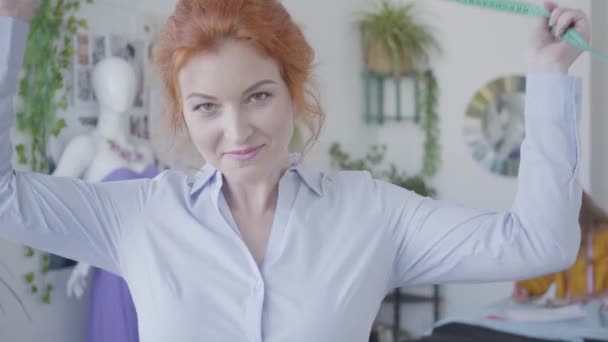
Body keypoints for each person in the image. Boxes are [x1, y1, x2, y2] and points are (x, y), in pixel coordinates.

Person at [0, 0, 589, 340]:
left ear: (292, 90)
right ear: (183, 112)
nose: (236, 133)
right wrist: (10, 22)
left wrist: (548, 73)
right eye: (207, 107)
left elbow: (539, 242)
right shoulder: (136, 215)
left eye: (257, 96)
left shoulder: (372, 212)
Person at [514, 191, 608, 306]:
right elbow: (542, 275)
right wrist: (525, 288)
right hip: (568, 315)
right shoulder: (560, 242)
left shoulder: (604, 237)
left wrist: (594, 298)